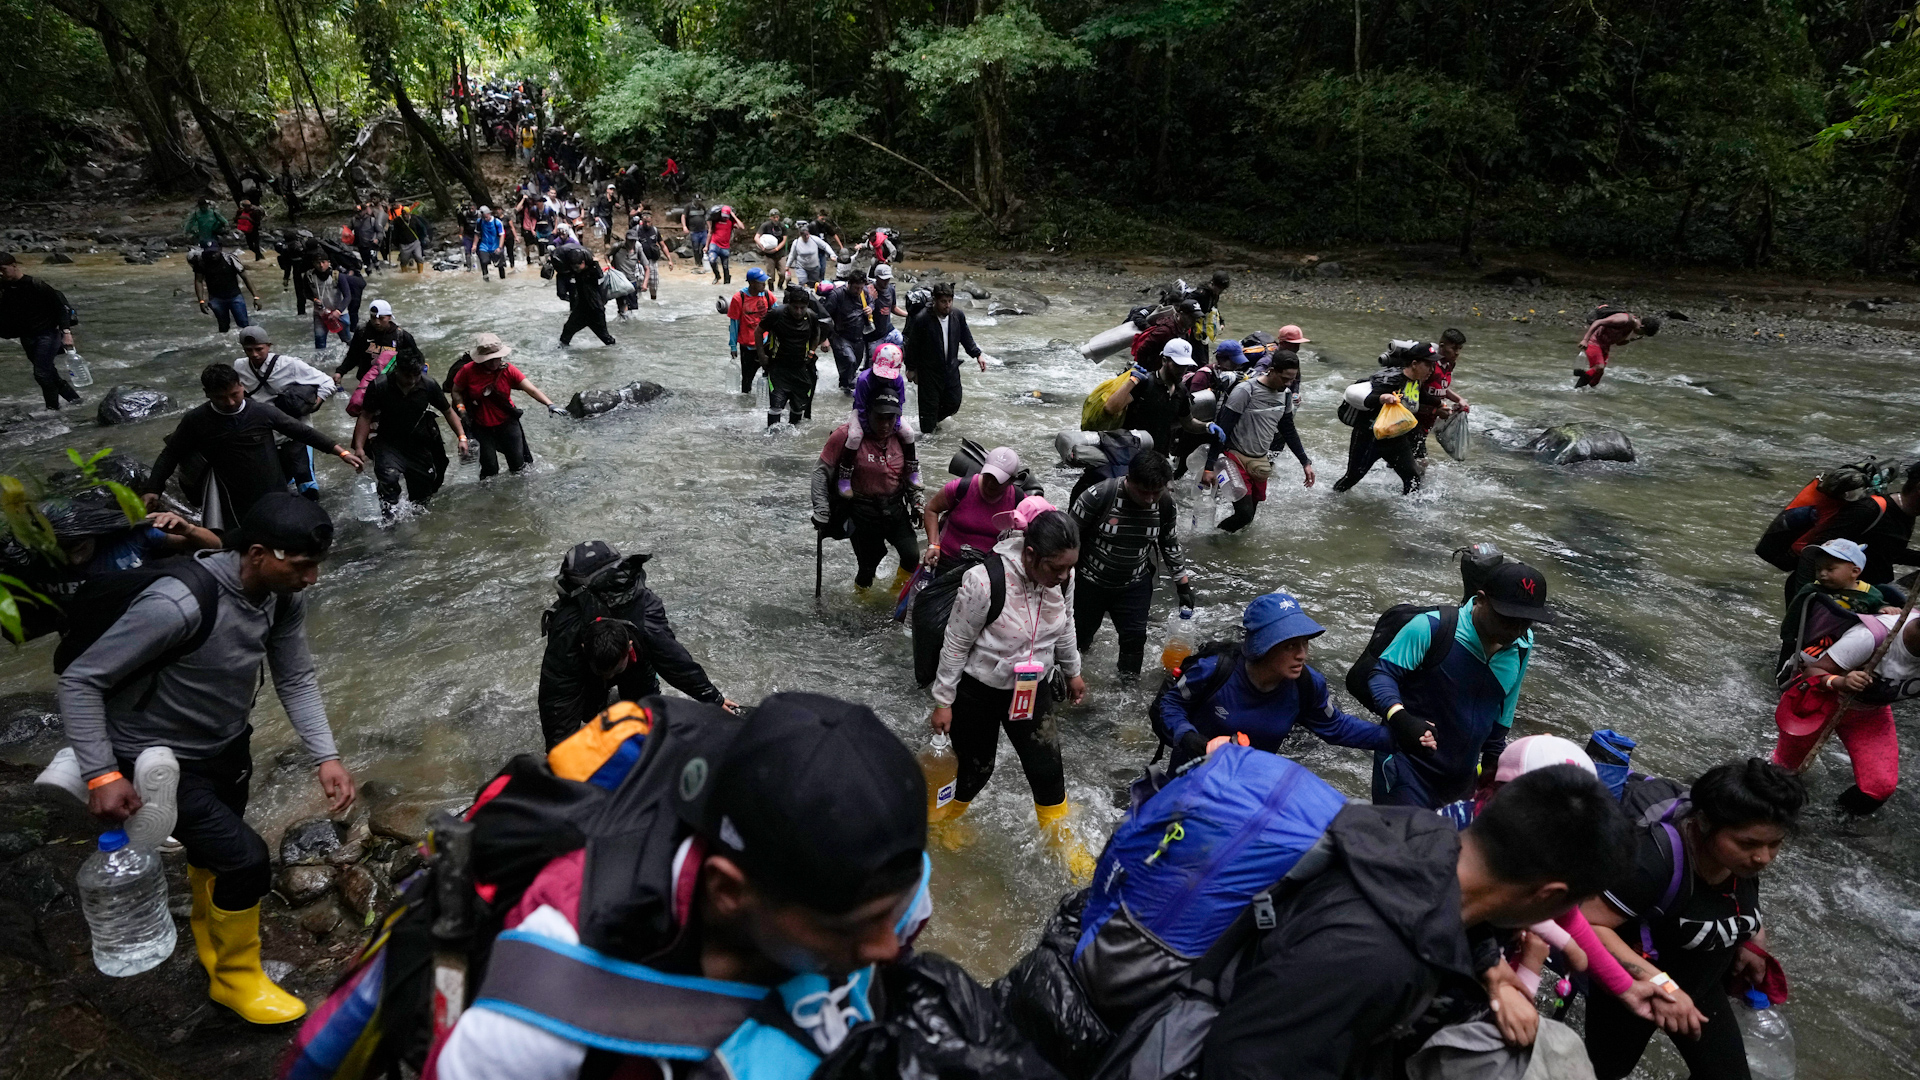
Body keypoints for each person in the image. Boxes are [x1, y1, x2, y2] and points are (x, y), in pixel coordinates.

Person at [433, 692, 930, 1080]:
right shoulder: (539, 1012)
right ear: (728, 891)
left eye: (899, 907)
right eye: (856, 927)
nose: (889, 944)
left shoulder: (881, 891)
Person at [60, 494, 355, 1025]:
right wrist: (101, 772)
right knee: (246, 860)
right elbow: (82, 679)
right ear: (260, 553)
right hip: (155, 758)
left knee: (212, 856)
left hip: (226, 744)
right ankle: (235, 981)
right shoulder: (179, 603)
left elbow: (295, 676)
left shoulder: (281, 596)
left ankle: (211, 946)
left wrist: (325, 756)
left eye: (317, 565)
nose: (312, 578)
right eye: (303, 565)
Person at [1202, 763, 1631, 1080]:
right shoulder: (1372, 957)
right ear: (1549, 895)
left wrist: (1493, 969)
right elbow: (1243, 1065)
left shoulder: (1427, 833)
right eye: (1570, 905)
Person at [1581, 760, 1805, 1080]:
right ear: (1703, 823)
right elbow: (1588, 924)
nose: (1763, 857)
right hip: (1634, 993)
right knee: (1602, 1073)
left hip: (1703, 985)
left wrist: (1751, 942)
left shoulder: (1741, 862)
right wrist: (1664, 986)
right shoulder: (1654, 860)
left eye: (1775, 844)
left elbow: (1735, 904)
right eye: (1748, 843)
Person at [928, 499, 1092, 876]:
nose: (1065, 576)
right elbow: (955, 643)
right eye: (1056, 568)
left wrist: (1072, 670)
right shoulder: (984, 581)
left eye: (1071, 567)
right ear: (1031, 554)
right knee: (976, 769)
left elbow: (1065, 624)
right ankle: (943, 823)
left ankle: (1061, 844)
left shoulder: (1062, 578)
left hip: (1033, 687)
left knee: (1048, 770)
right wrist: (943, 701)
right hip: (978, 690)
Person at [1365, 561, 1553, 810]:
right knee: (1406, 844)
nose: (1516, 630)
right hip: (1407, 768)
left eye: (1526, 622)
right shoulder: (1431, 628)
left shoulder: (1522, 646)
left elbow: (1504, 707)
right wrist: (1399, 717)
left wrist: (1493, 762)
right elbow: (1381, 675)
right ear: (1481, 600)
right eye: (1507, 618)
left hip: (1461, 781)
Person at [534, 540, 736, 748]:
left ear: (629, 645)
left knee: (644, 714)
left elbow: (675, 661)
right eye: (605, 673)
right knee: (589, 713)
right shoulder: (567, 635)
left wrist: (714, 699)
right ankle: (599, 690)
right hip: (591, 658)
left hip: (634, 658)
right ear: (584, 649)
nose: (610, 677)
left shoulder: (647, 623)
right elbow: (557, 697)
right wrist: (558, 755)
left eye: (614, 671)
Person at [1156, 592, 1393, 768]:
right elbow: (1170, 705)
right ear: (1263, 647)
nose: (1302, 654)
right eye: (1290, 645)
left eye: (1304, 643)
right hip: (1187, 780)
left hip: (1250, 788)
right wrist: (1187, 736)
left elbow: (1337, 726)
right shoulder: (1213, 671)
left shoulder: (1307, 685)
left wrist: (1401, 738)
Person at [144, 365, 362, 531]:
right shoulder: (197, 420)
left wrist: (341, 452)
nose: (229, 402)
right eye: (221, 398)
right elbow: (171, 453)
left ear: (242, 386)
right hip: (229, 492)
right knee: (238, 538)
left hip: (271, 486)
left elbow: (302, 432)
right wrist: (153, 488)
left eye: (234, 394)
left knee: (279, 532)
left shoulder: (261, 412)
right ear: (207, 394)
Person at [1776, 585, 1916, 815]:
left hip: (1869, 711)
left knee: (1878, 788)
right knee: (1784, 773)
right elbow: (1812, 673)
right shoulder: (1870, 637)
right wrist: (1840, 682)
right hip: (1822, 701)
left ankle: (1831, 829)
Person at [1069, 450, 1192, 679]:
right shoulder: (1098, 496)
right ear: (1129, 479)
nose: (1150, 499)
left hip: (1134, 584)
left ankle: (1127, 691)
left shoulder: (1164, 504)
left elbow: (1170, 543)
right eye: (1144, 492)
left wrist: (1183, 585)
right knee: (1079, 639)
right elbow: (1067, 539)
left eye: (1157, 492)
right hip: (1090, 583)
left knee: (1134, 642)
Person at [812, 384, 921, 590]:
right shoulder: (845, 436)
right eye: (880, 417)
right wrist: (821, 509)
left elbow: (912, 470)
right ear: (867, 413)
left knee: (911, 556)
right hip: (862, 511)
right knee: (868, 567)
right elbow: (820, 473)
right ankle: (863, 599)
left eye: (891, 418)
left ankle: (895, 595)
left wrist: (917, 502)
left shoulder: (902, 436)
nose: (886, 425)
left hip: (895, 507)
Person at [1204, 349, 1313, 532]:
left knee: (1249, 517)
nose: (1288, 383)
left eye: (1292, 379)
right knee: (1244, 514)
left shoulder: (1285, 395)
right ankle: (1213, 540)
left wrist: (1305, 462)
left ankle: (1226, 546)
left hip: (1259, 460)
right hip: (1233, 457)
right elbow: (1223, 428)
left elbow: (1288, 430)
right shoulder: (1246, 390)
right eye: (1284, 378)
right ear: (1271, 370)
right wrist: (1209, 466)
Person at [352, 352, 467, 515]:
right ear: (397, 370)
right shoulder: (380, 386)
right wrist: (359, 447)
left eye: (416, 375)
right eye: (407, 376)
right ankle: (389, 527)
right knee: (389, 482)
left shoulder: (428, 385)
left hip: (419, 443)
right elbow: (365, 416)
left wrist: (461, 437)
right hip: (387, 443)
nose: (412, 381)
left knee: (421, 499)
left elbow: (447, 411)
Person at [231, 326, 337, 497]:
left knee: (308, 487)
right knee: (275, 486)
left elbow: (327, 382)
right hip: (265, 434)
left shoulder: (289, 365)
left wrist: (314, 405)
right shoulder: (239, 367)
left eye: (259, 349)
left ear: (269, 346)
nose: (254, 355)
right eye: (248, 350)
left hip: (295, 431)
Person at [452, 332, 564, 479]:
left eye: (496, 359)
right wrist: (462, 410)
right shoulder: (468, 371)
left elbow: (531, 389)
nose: (493, 363)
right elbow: (456, 391)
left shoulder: (508, 370)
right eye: (489, 360)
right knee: (489, 469)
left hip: (507, 422)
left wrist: (550, 404)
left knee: (519, 465)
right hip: (480, 425)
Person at [1777, 537, 1896, 672]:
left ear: (1855, 572)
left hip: (1854, 644)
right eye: (1818, 569)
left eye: (1830, 569)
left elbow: (1878, 607)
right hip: (1817, 641)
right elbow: (1794, 613)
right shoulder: (1812, 590)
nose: (1822, 574)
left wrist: (1885, 609)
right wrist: (1788, 638)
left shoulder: (1869, 593)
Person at [1332, 341, 1435, 494]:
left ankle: (1408, 514)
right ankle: (1331, 498)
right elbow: (1367, 400)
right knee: (1352, 477)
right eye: (1428, 365)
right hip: (1369, 439)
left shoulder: (1415, 382)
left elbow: (1423, 397)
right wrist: (1383, 398)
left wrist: (1445, 406)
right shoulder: (1391, 380)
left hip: (1396, 438)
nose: (1431, 370)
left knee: (1413, 478)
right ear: (1414, 364)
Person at [0, 252, 83, 410]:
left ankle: (52, 409)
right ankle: (75, 401)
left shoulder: (36, 285)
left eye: (3, 269)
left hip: (47, 335)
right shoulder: (4, 287)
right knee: (49, 373)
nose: (1, 274)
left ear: (14, 266)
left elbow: (60, 309)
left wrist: (67, 334)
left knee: (42, 374)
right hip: (27, 336)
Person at [922, 446, 1024, 571]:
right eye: (988, 476)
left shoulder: (1019, 501)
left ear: (1011, 481)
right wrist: (933, 545)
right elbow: (931, 509)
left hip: (988, 569)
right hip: (948, 561)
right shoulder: (960, 488)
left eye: (998, 480)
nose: (990, 483)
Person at [902, 281, 985, 434]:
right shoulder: (922, 319)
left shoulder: (957, 316)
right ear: (934, 301)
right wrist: (911, 368)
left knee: (954, 402)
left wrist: (977, 354)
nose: (947, 305)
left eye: (949, 301)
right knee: (928, 419)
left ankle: (934, 421)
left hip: (951, 369)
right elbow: (913, 346)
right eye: (943, 302)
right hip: (929, 372)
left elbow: (966, 337)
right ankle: (927, 438)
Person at [1102, 336, 1198, 459]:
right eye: (1177, 365)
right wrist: (1132, 381)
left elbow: (1188, 422)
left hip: (1159, 455)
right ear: (1164, 360)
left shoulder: (1181, 391)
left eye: (1185, 366)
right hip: (1131, 452)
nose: (1182, 370)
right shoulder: (1145, 383)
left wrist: (1207, 427)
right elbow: (1110, 408)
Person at [761, 283, 825, 428]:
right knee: (776, 406)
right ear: (789, 304)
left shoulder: (811, 316)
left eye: (802, 307)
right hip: (778, 367)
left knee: (798, 407)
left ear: (807, 306)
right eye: (795, 307)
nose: (798, 311)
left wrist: (811, 352)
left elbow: (816, 334)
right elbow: (759, 331)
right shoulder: (776, 314)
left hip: (801, 367)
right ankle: (771, 437)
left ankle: (794, 437)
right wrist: (762, 355)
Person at [334, 299, 425, 388]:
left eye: (381, 318)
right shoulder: (362, 332)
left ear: (389, 317)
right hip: (366, 383)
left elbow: (417, 359)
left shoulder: (401, 336)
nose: (377, 322)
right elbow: (353, 356)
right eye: (373, 318)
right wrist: (340, 372)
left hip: (392, 385)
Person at [1414, 327, 1470, 462]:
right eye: (1454, 348)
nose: (1457, 353)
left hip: (1428, 422)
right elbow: (1413, 395)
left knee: (1410, 462)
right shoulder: (1429, 364)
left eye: (1460, 349)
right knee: (1420, 464)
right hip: (1413, 421)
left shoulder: (1450, 364)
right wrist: (1435, 410)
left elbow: (1442, 387)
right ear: (1442, 345)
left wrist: (1459, 399)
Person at [1575, 310, 1659, 388]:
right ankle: (1576, 389)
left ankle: (1587, 394)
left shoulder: (1630, 327)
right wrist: (1585, 340)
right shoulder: (1624, 320)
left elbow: (1619, 343)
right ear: (1642, 327)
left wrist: (1632, 339)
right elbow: (1598, 322)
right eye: (1642, 333)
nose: (1640, 334)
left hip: (1604, 346)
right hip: (1594, 341)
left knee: (1597, 377)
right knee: (1599, 367)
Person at [823, 267, 875, 394]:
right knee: (849, 361)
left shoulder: (864, 293)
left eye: (861, 288)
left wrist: (870, 308)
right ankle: (849, 391)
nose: (859, 291)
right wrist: (824, 339)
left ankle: (845, 390)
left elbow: (872, 302)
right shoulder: (836, 295)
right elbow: (825, 317)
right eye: (856, 288)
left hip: (858, 337)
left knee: (854, 366)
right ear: (849, 284)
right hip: (840, 336)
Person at [727, 267, 774, 395]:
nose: (764, 284)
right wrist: (733, 346)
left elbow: (777, 316)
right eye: (760, 282)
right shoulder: (739, 298)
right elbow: (734, 324)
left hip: (766, 345)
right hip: (748, 347)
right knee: (747, 382)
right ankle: (745, 408)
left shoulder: (767, 295)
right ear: (751, 283)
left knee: (772, 379)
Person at [557, 247, 616, 346]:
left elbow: (599, 276)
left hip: (595, 311)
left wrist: (594, 262)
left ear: (584, 262)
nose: (575, 269)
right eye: (574, 267)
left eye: (577, 267)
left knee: (606, 338)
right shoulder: (576, 271)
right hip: (581, 309)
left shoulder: (593, 270)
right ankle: (562, 354)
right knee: (567, 331)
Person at [306, 256, 348, 352]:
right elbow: (305, 292)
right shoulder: (309, 277)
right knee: (319, 339)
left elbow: (348, 296)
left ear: (328, 262)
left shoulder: (337, 275)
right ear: (313, 264)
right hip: (320, 314)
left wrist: (338, 311)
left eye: (323, 262)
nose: (321, 265)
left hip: (340, 313)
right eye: (318, 262)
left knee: (346, 340)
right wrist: (314, 299)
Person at [631, 209, 670, 299]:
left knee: (654, 283)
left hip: (652, 261)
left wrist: (669, 259)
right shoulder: (636, 230)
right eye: (645, 222)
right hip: (639, 261)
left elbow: (663, 245)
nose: (647, 224)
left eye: (648, 222)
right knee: (639, 281)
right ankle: (638, 301)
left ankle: (653, 300)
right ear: (642, 221)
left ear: (651, 220)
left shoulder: (655, 231)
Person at [868, 262, 906, 346]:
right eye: (883, 279)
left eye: (888, 279)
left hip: (888, 329)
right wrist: (871, 299)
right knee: (873, 358)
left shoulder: (891, 289)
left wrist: (908, 314)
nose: (886, 281)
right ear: (877, 278)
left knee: (902, 343)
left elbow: (893, 308)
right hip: (873, 335)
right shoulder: (868, 291)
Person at [787, 221, 834, 286]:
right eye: (804, 235)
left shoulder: (814, 239)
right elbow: (792, 255)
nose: (806, 237)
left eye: (807, 234)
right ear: (801, 235)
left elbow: (825, 246)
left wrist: (832, 254)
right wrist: (787, 265)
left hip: (814, 267)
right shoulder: (796, 242)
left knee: (814, 284)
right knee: (802, 282)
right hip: (801, 266)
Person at [708, 202, 745, 284]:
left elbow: (742, 227)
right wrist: (706, 246)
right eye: (723, 216)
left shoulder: (731, 222)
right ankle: (717, 276)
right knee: (712, 260)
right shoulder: (715, 221)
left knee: (725, 267)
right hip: (714, 244)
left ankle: (727, 281)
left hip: (725, 247)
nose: (724, 218)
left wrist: (734, 216)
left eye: (726, 217)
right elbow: (710, 232)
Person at [756, 208, 790, 289]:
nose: (776, 219)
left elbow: (784, 240)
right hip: (769, 254)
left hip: (781, 253)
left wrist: (777, 249)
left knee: (783, 273)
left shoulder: (782, 226)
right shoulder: (765, 226)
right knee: (770, 275)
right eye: (774, 217)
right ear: (770, 217)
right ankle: (771, 289)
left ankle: (780, 285)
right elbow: (756, 237)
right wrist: (762, 247)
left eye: (777, 217)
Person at [389, 204, 426, 272]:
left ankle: (420, 273)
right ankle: (404, 273)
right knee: (404, 260)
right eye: (403, 214)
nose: (405, 215)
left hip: (415, 242)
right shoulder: (397, 221)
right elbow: (394, 233)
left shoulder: (414, 219)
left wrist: (423, 238)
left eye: (406, 214)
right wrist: (396, 243)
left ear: (409, 213)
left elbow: (422, 228)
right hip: (404, 244)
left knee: (419, 257)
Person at [474, 205, 507, 280]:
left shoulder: (497, 222)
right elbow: (477, 234)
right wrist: (474, 245)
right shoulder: (479, 222)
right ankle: (486, 278)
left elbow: (502, 235)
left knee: (500, 265)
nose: (485, 219)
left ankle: (503, 279)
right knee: (484, 262)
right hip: (484, 246)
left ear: (489, 214)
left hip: (495, 246)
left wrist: (500, 247)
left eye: (486, 217)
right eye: (483, 217)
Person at [676, 199, 709, 270]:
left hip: (703, 230)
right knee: (696, 247)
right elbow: (683, 216)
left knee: (704, 245)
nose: (698, 202)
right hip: (694, 231)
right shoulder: (688, 207)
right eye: (697, 200)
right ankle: (698, 262)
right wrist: (684, 226)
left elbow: (706, 217)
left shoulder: (702, 207)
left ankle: (704, 260)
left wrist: (709, 227)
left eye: (699, 201)